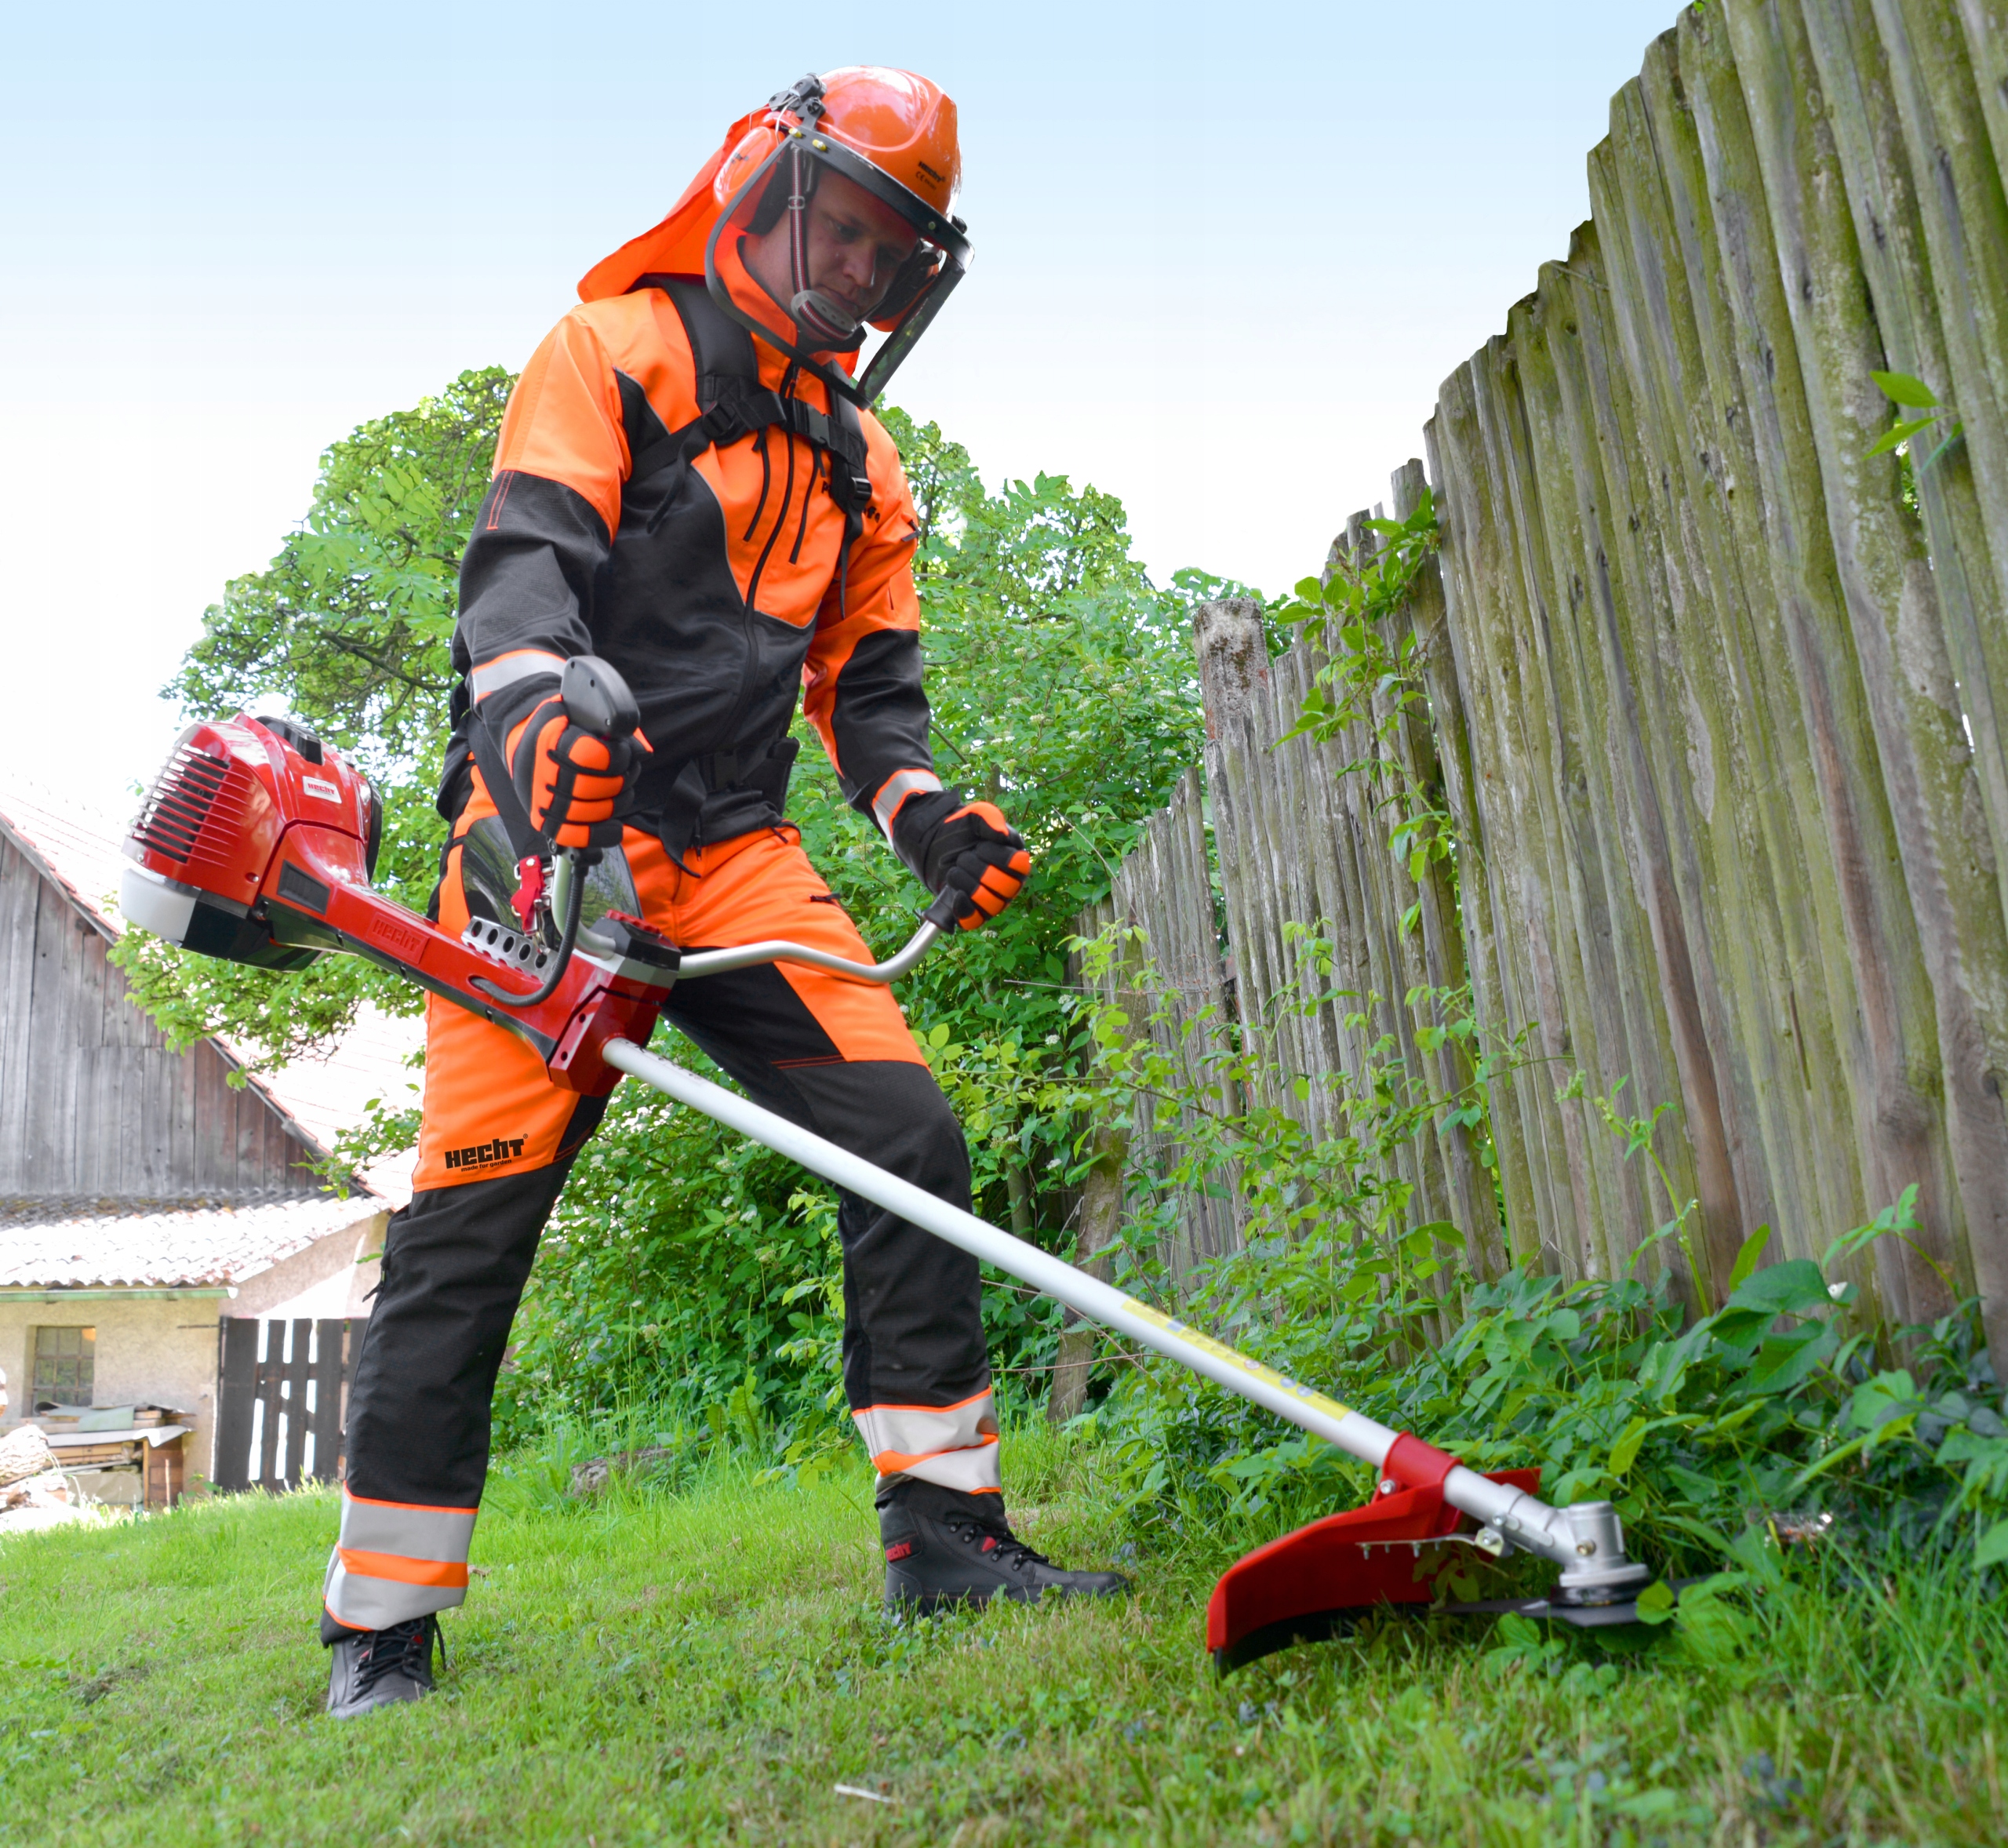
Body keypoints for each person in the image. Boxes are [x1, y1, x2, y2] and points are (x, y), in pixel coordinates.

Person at [322, 66, 1127, 1722]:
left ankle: (947, 1538)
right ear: (759, 185)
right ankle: (381, 1633)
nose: (853, 267)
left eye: (886, 255)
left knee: (906, 1135)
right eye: (840, 226)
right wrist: (537, 738)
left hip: (741, 845)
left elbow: (871, 696)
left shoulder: (866, 468)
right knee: (469, 1227)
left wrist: (929, 822)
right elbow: (521, 580)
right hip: (545, 844)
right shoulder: (607, 351)